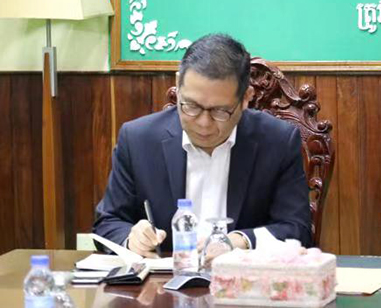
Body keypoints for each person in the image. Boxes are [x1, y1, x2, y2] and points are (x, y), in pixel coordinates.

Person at [94, 33, 311, 256]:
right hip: (164, 275)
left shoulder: (278, 142)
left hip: (240, 275)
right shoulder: (139, 140)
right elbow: (108, 222)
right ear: (178, 84)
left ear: (246, 97)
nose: (204, 123)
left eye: (220, 111)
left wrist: (239, 241)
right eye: (191, 106)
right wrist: (132, 239)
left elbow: (297, 228)